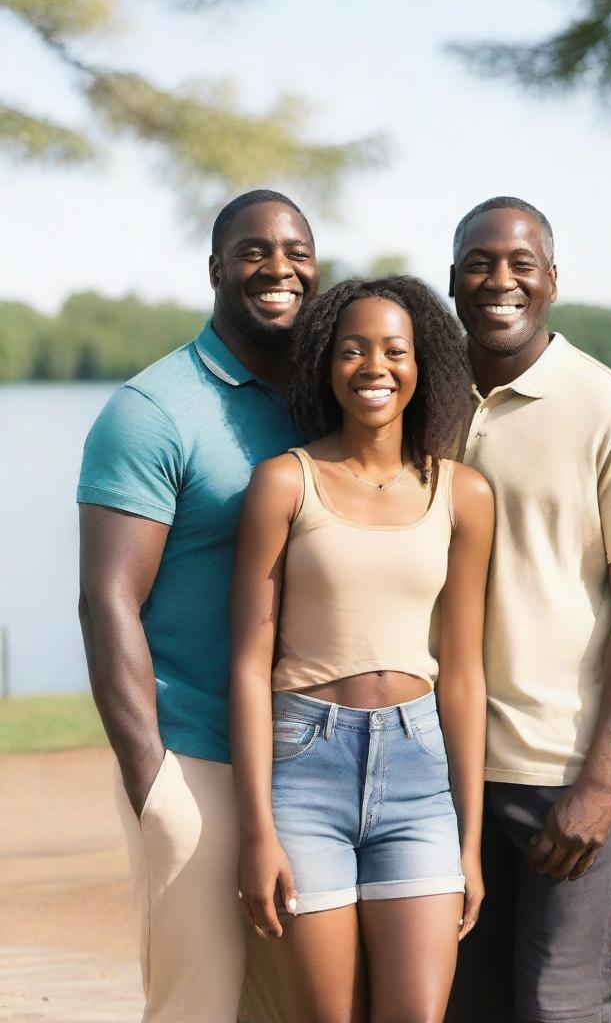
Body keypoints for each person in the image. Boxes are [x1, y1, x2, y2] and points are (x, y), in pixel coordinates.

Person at [77, 189, 318, 1022]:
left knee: (298, 1006)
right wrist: (153, 781)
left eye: (295, 249)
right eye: (254, 251)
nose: (278, 267)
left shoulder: (334, 397)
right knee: (199, 1007)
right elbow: (107, 599)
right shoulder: (153, 411)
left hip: (312, 762)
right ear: (217, 268)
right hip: (197, 760)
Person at [444, 197, 611, 1023]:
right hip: (441, 774)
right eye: (479, 262)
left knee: (560, 1007)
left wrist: (599, 783)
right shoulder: (420, 398)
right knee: (461, 1004)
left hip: (565, 778)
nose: (498, 280)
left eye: (520, 263)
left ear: (552, 280)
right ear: (452, 280)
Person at [230, 275, 494, 1022]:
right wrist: (257, 831)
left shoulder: (463, 494)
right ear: (326, 363)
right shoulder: (284, 483)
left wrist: (468, 842)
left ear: (423, 364)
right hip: (306, 771)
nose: (373, 366)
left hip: (420, 776)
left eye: (393, 350)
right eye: (352, 350)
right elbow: (250, 669)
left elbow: (465, 677)